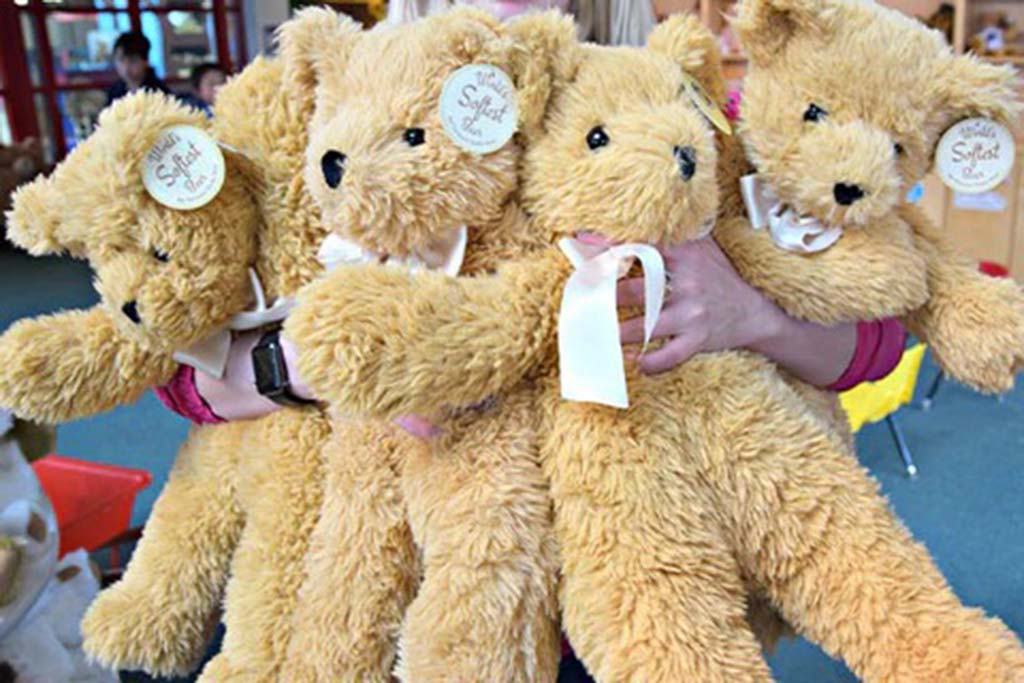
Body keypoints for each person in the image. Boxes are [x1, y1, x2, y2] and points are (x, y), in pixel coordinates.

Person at [106, 31, 171, 106]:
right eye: (121, 60)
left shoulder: (159, 92)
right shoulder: (115, 92)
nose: (126, 67)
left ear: (146, 61)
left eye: (133, 60)